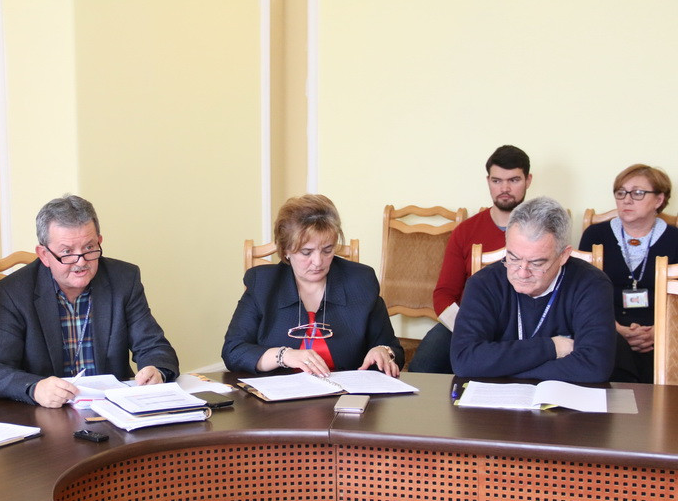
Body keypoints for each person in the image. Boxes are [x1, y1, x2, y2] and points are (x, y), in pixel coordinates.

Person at [0, 195, 179, 407]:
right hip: (48, 413)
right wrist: (35, 388)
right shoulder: (15, 292)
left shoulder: (123, 280)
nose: (81, 262)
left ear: (99, 241)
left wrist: (156, 370)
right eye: (67, 252)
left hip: (111, 409)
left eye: (89, 247)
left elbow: (154, 347)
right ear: (44, 254)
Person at [222, 194, 403, 376]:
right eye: (306, 252)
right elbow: (233, 351)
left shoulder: (361, 281)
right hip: (281, 390)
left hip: (343, 390)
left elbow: (393, 349)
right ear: (286, 250)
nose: (318, 262)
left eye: (327, 250)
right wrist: (284, 355)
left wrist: (383, 351)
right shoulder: (263, 283)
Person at [451, 197, 616, 382]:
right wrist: (552, 347)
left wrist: (499, 368)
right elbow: (464, 360)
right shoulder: (483, 284)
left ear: (563, 255)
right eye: (513, 258)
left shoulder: (591, 284)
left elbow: (595, 366)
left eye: (536, 263)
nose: (522, 273)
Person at [410, 145, 532, 373]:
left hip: (525, 325)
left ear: (528, 180)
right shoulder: (466, 231)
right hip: (469, 322)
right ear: (488, 181)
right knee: (424, 363)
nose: (504, 188)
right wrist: (466, 329)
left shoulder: (542, 231)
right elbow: (444, 293)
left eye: (514, 180)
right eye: (497, 181)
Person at [579, 164, 678, 383]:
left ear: (659, 199)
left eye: (638, 193)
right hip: (607, 325)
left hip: (662, 329)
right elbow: (581, 292)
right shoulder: (596, 235)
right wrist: (616, 328)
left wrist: (660, 330)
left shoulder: (675, 238)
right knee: (609, 346)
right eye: (621, 193)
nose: (627, 200)